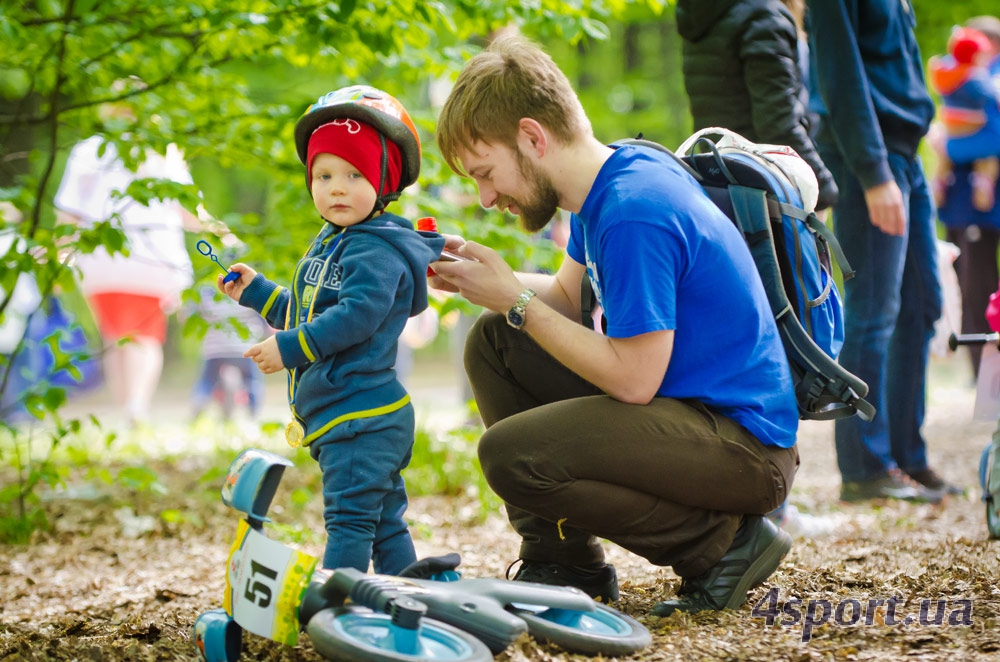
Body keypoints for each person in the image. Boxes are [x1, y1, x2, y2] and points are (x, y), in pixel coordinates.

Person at [431, 34, 800, 616]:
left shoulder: (633, 210)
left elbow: (634, 381)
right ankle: (565, 562)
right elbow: (565, 297)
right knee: (495, 341)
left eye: (486, 172)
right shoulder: (605, 181)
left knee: (509, 454)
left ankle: (725, 544)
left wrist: (512, 298)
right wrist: (485, 282)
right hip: (687, 418)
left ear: (532, 137)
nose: (484, 197)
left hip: (743, 448)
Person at [218, 85, 445, 575]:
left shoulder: (377, 249)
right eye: (323, 175)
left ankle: (338, 609)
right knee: (382, 522)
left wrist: (290, 348)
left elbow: (356, 317)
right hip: (346, 415)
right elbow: (310, 309)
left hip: (363, 418)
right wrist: (257, 293)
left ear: (384, 180)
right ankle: (405, 593)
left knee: (348, 522)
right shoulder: (333, 242)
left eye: (354, 174)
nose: (336, 187)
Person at [806, 0, 958, 501]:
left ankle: (906, 457)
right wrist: (873, 173)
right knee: (873, 311)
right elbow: (839, 69)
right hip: (866, 157)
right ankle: (864, 467)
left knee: (922, 305)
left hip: (905, 154)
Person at [54, 102, 202, 427]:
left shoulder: (89, 150)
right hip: (153, 260)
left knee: (116, 336)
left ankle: (129, 408)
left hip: (100, 261)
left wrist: (60, 254)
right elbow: (191, 211)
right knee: (143, 335)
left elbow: (68, 212)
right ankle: (135, 407)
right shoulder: (164, 152)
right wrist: (223, 233)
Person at [676, 0, 838, 212]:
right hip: (766, 195)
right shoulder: (763, 16)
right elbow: (778, 124)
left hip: (713, 182)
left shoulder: (704, 12)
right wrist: (821, 187)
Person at [934, 15, 1000, 379]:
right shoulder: (971, 78)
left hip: (981, 209)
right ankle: (983, 376)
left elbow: (994, 137)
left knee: (980, 287)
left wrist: (948, 145)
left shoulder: (985, 80)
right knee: (970, 284)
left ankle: (988, 377)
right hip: (962, 204)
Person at [928, 26, 1000, 213]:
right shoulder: (975, 77)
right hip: (973, 124)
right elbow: (990, 96)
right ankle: (983, 188)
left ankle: (937, 186)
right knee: (987, 160)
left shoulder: (948, 72)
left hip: (952, 125)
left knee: (944, 161)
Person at [185, 284, 272, 422]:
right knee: (252, 382)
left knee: (206, 382)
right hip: (244, 349)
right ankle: (254, 415)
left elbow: (188, 317)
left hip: (215, 350)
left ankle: (197, 410)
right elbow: (266, 324)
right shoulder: (249, 291)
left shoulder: (205, 292)